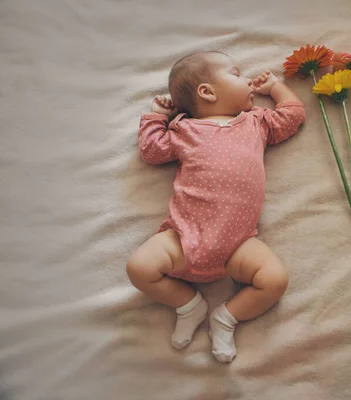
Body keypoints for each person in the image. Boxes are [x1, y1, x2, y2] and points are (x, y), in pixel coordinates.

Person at [126, 51, 306, 363]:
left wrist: (277, 88)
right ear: (207, 92)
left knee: (275, 280)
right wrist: (156, 117)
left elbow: (292, 116)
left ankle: (226, 317)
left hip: (239, 243)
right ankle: (188, 305)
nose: (249, 81)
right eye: (237, 74)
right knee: (138, 269)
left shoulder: (255, 122)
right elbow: (153, 151)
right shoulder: (184, 129)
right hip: (182, 236)